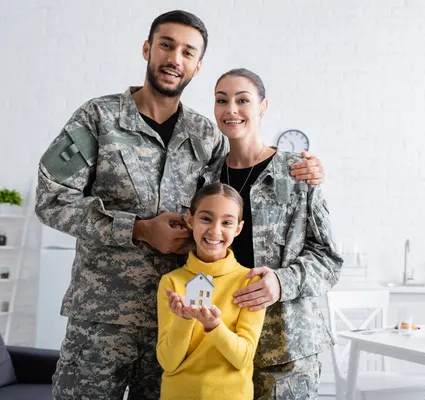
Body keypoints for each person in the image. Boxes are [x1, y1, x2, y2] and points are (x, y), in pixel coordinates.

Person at [34, 10, 323, 400]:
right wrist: (136, 228)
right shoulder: (97, 119)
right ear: (147, 49)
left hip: (178, 323)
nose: (175, 59)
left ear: (197, 66)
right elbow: (51, 199)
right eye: (166, 46)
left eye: (188, 52)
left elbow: (242, 182)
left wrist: (300, 168)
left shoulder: (206, 135)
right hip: (102, 320)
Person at [196, 68, 343, 400]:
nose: (231, 109)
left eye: (242, 100)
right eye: (222, 100)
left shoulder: (297, 172)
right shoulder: (205, 180)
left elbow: (329, 259)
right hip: (220, 342)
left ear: (262, 107)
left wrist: (281, 282)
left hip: (286, 348)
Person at [157, 182, 266, 400]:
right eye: (206, 218)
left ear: (238, 229)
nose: (215, 230)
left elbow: (242, 358)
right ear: (190, 220)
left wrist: (213, 326)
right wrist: (184, 319)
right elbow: (168, 361)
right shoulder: (172, 282)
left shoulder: (250, 282)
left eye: (226, 222)